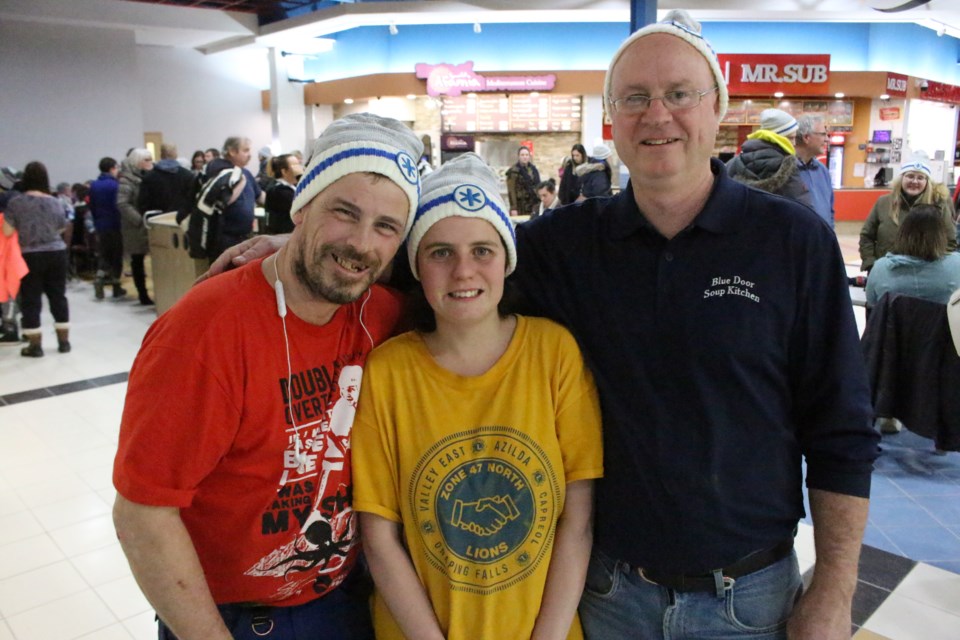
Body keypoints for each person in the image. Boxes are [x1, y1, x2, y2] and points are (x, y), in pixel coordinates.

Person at [207, 10, 879, 639]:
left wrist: (836, 587)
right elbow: (456, 267)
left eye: (679, 93)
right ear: (612, 118)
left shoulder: (792, 242)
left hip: (749, 596)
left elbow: (841, 428)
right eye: (635, 98)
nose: (658, 116)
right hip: (609, 594)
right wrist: (299, 249)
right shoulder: (568, 244)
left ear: (717, 107)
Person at [112, 113, 423, 640]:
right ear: (301, 205)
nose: (360, 245)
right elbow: (144, 514)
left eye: (386, 227)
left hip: (348, 599)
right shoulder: (202, 333)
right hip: (234, 618)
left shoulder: (385, 314)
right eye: (343, 213)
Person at [352, 153, 602, 640]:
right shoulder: (387, 372)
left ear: (507, 260)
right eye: (441, 252)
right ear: (416, 266)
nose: (463, 271)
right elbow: (379, 538)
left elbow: (578, 520)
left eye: (482, 250)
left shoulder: (553, 353)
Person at [2, 161, 71, 356]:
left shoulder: (16, 203)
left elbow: (7, 231)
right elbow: (62, 227)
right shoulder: (55, 201)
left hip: (29, 256)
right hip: (56, 253)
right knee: (58, 296)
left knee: (31, 299)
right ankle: (64, 342)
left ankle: (35, 345)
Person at [859, 154, 956, 272]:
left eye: (920, 178)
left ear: (927, 182)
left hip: (924, 274)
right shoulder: (884, 202)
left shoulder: (938, 206)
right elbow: (866, 236)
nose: (914, 181)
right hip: (886, 271)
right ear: (902, 178)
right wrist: (871, 264)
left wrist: (934, 267)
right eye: (910, 176)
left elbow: (951, 241)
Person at [865, 203, 960, 308]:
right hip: (943, 324)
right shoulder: (956, 264)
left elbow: (871, 302)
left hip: (895, 324)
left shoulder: (880, 268)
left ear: (902, 232)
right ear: (941, 236)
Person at [726, 108, 812, 207]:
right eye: (791, 138)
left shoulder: (733, 163)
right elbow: (803, 209)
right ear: (779, 138)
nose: (794, 143)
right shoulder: (788, 166)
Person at [204, 136, 264, 259]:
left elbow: (261, 197)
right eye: (245, 150)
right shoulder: (221, 173)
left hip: (245, 237)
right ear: (232, 151)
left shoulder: (245, 173)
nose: (250, 155)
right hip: (225, 239)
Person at [118, 148, 155, 305]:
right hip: (135, 228)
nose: (150, 163)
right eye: (146, 160)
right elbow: (122, 203)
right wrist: (140, 220)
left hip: (146, 225)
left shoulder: (148, 178)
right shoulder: (127, 181)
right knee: (137, 261)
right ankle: (143, 294)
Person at [88, 156, 126, 300]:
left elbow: (92, 206)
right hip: (114, 224)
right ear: (112, 168)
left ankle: (99, 278)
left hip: (100, 224)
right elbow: (117, 206)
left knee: (104, 254)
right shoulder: (115, 185)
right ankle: (116, 285)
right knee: (116, 255)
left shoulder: (94, 185)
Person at [140, 143, 197, 226]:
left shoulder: (149, 177)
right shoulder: (187, 175)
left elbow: (143, 203)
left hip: (156, 221)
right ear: (176, 155)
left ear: (161, 154)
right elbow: (192, 200)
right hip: (180, 220)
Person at [795, 115, 835, 228]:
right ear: (806, 137)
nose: (827, 139)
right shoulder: (785, 170)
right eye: (823, 134)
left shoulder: (823, 171)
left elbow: (830, 210)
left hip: (822, 241)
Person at [263, 153, 304, 235]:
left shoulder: (290, 186)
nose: (300, 168)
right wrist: (301, 176)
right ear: (284, 171)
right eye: (296, 165)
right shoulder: (279, 191)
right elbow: (303, 206)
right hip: (282, 236)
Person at [505, 146, 540, 217]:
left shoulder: (533, 170)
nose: (525, 157)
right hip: (520, 205)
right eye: (522, 155)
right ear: (519, 156)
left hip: (533, 204)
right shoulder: (514, 171)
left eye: (527, 155)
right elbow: (511, 191)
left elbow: (538, 185)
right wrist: (513, 208)